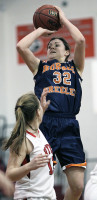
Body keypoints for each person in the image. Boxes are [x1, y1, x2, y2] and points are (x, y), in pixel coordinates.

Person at [16, 6, 86, 200]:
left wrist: (62, 20)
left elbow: (80, 40)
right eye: (50, 45)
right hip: (44, 124)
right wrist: (41, 29)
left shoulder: (76, 67)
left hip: (69, 124)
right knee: (39, 182)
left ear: (67, 53)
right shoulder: (40, 67)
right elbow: (21, 46)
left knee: (78, 185)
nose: (52, 46)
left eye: (57, 44)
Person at [2, 89, 56, 200]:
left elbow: (36, 121)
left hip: (45, 196)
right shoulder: (24, 140)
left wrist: (42, 109)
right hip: (32, 196)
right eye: (39, 108)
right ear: (37, 112)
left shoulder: (36, 131)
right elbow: (9, 175)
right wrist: (29, 166)